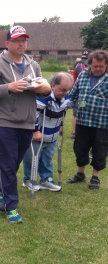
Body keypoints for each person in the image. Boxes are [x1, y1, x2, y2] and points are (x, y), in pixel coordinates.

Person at [0, 26, 51, 223]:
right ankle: (10, 206)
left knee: (13, 162)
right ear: (7, 44)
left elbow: (45, 90)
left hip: (27, 121)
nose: (22, 44)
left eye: (24, 40)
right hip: (5, 121)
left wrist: (45, 89)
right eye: (17, 40)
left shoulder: (33, 65)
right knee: (8, 163)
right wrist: (9, 88)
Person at [22, 72, 73, 192]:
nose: (65, 93)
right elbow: (33, 113)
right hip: (37, 136)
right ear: (53, 85)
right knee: (32, 158)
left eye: (67, 90)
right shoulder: (43, 96)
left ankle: (46, 179)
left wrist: (61, 125)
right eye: (62, 89)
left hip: (53, 136)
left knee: (47, 159)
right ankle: (28, 179)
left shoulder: (65, 97)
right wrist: (35, 131)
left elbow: (62, 112)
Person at [66, 50, 108, 189]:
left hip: (102, 123)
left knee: (99, 149)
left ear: (106, 65)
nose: (98, 69)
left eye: (101, 66)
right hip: (82, 121)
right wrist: (62, 106)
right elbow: (73, 95)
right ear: (89, 64)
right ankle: (80, 174)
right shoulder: (83, 75)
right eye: (95, 66)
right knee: (80, 148)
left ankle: (95, 177)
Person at [70, 50, 91, 139]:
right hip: (79, 94)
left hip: (83, 95)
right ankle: (75, 132)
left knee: (82, 111)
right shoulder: (81, 67)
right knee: (76, 113)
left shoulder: (80, 65)